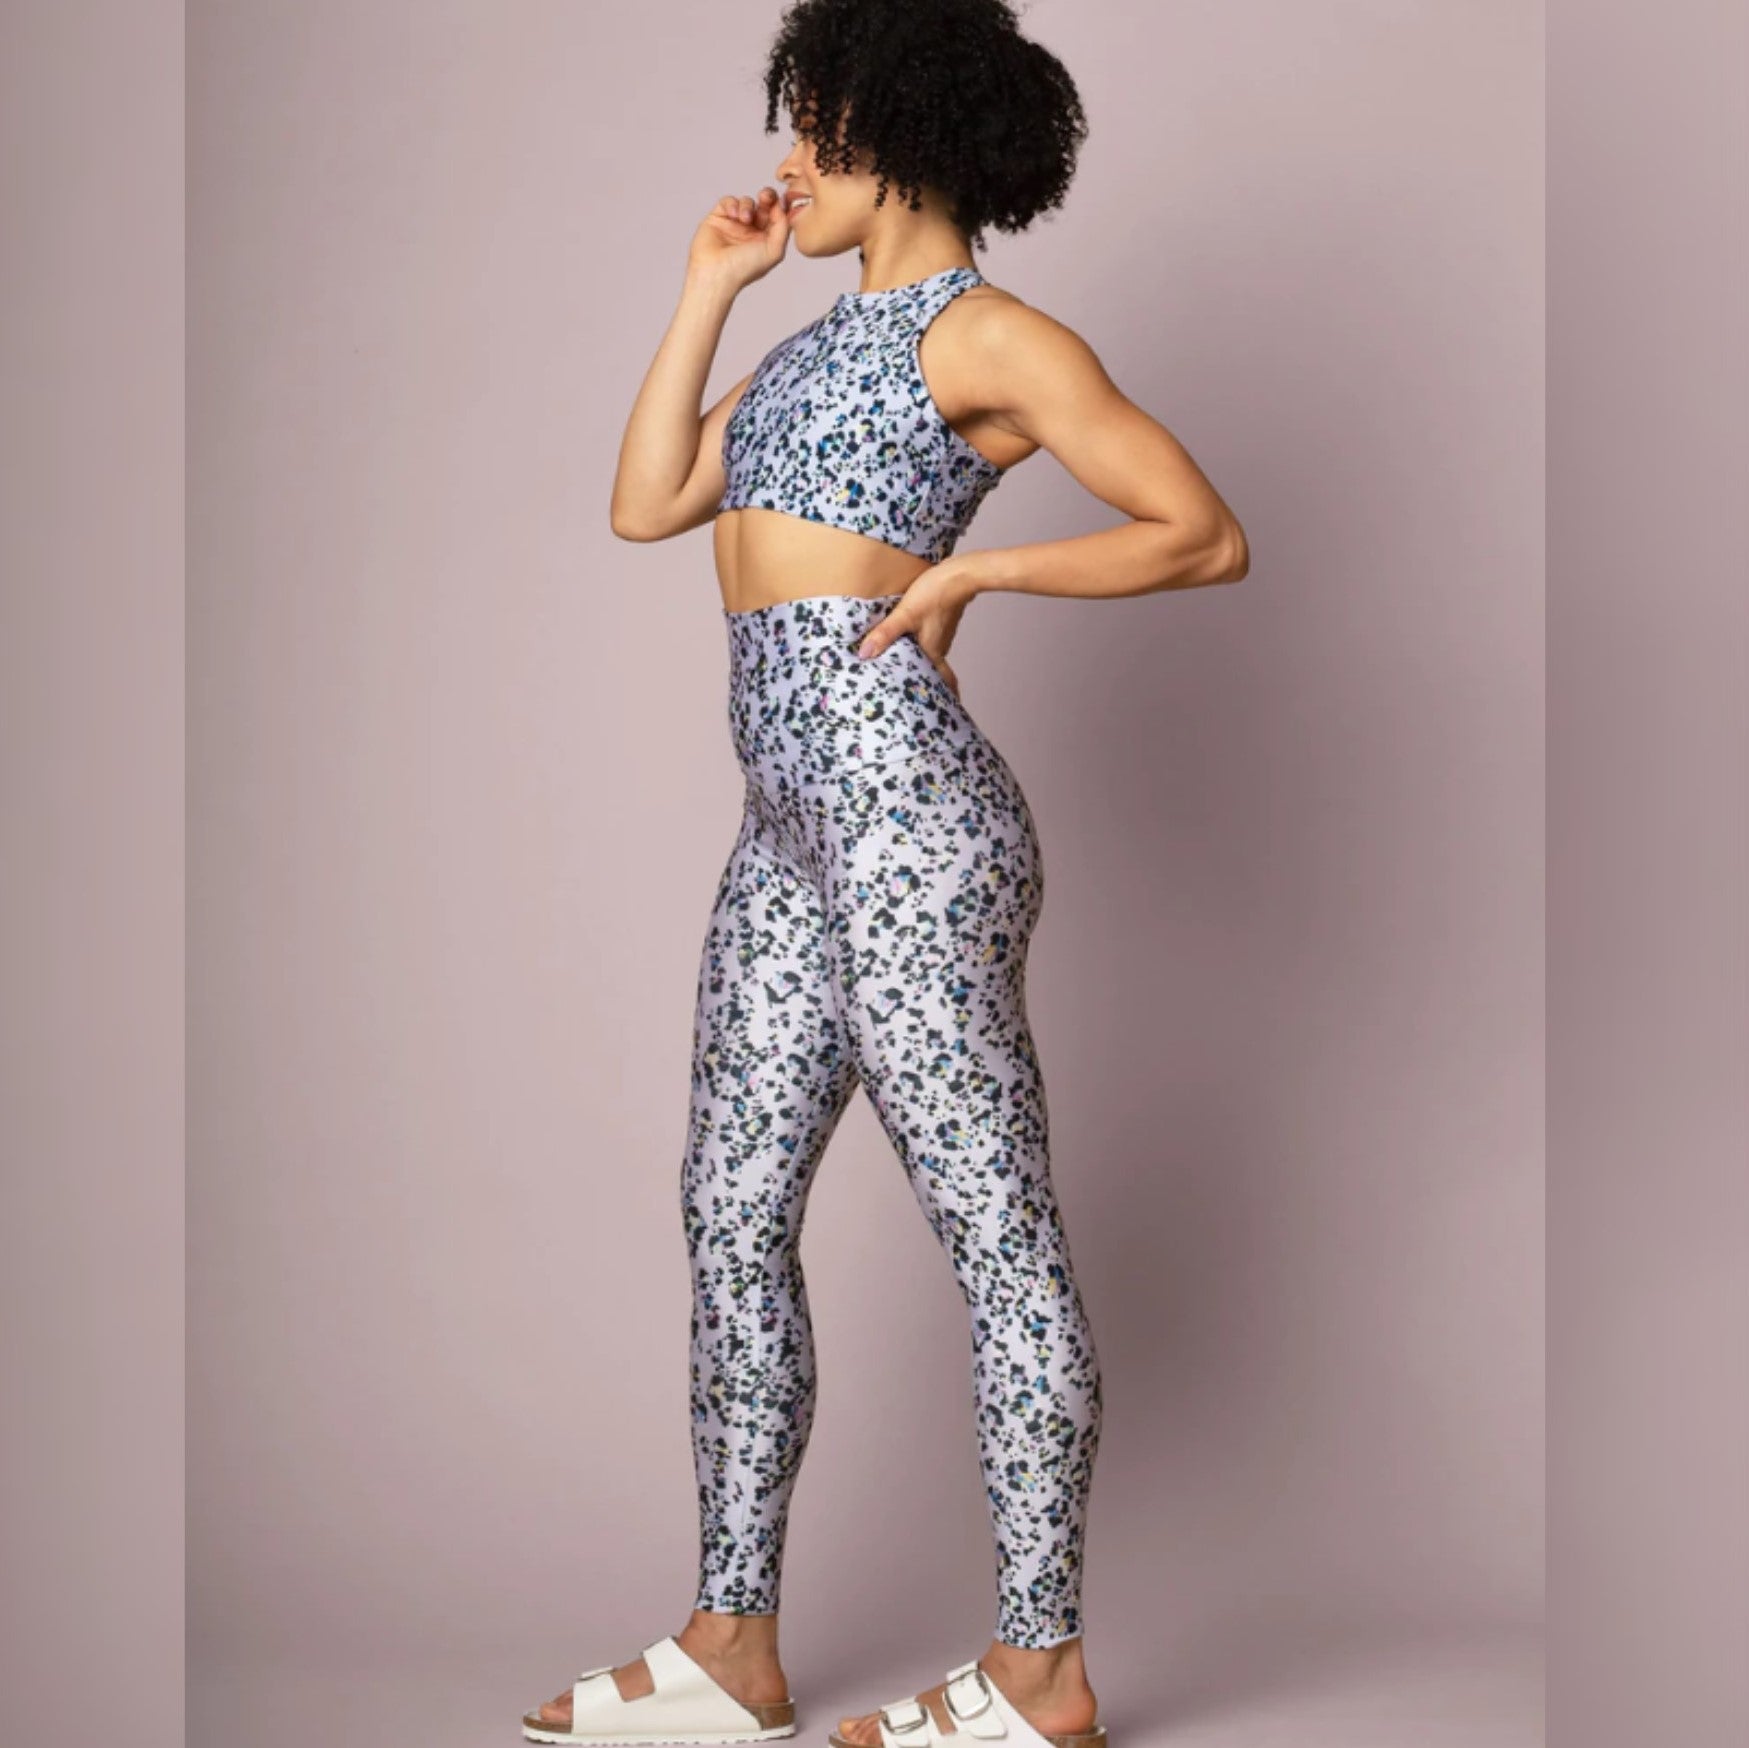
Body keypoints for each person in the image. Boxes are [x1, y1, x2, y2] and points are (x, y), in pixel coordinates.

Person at [525, 2, 1247, 1745]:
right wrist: (710, 289)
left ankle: (1042, 1668)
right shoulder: (799, 353)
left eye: (814, 129)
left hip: (910, 826)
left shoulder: (986, 336)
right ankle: (731, 1645)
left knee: (995, 1235)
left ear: (898, 140)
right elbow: (645, 503)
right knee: (727, 1215)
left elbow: (1201, 532)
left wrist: (978, 578)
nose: (786, 162)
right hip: (785, 830)